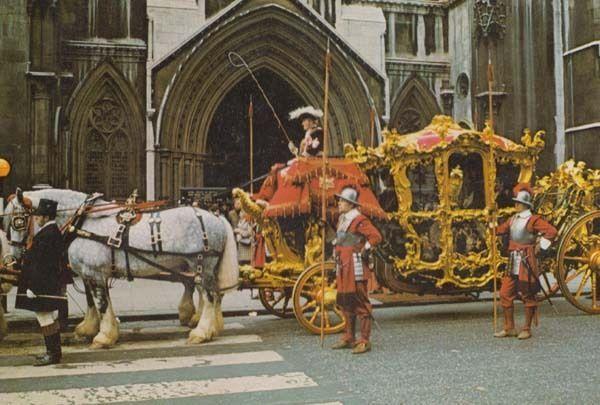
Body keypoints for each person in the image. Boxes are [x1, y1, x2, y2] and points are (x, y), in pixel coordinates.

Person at [494, 183, 557, 340]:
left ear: (524, 204)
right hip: (513, 259)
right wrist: (491, 220)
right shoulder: (513, 219)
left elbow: (552, 232)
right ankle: (509, 328)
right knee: (505, 293)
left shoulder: (533, 220)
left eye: (517, 202)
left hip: (526, 259)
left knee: (527, 294)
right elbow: (499, 230)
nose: (515, 205)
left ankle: (526, 328)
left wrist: (540, 246)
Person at [332, 187, 382, 354]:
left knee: (360, 302)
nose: (339, 203)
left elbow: (375, 237)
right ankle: (349, 337)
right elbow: (342, 240)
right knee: (346, 303)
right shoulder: (342, 219)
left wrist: (365, 248)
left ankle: (364, 340)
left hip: (355, 265)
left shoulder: (359, 220)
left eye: (342, 201)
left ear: (350, 204)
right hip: (343, 266)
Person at [14, 198, 65, 366]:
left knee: (44, 317)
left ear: (45, 216)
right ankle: (55, 353)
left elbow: (42, 264)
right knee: (49, 316)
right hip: (47, 284)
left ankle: (52, 354)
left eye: (38, 216)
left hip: (42, 285)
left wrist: (33, 287)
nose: (36, 219)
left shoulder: (48, 234)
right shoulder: (50, 232)